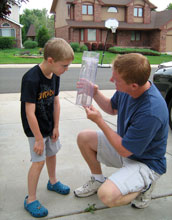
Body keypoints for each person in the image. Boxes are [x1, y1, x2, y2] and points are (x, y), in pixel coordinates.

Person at [74, 53, 169, 209]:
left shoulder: (151, 111)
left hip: (146, 162)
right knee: (84, 137)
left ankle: (145, 185)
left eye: (116, 80)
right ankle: (98, 179)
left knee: (107, 196)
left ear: (133, 86)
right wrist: (95, 93)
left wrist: (99, 121)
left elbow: (124, 150)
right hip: (127, 147)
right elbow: (112, 108)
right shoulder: (128, 89)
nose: (112, 81)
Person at [20, 38, 74, 218]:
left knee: (52, 154)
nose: (66, 70)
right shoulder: (31, 78)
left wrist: (56, 126)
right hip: (35, 129)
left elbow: (56, 101)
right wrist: (37, 138)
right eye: (64, 66)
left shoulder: (55, 75)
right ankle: (31, 199)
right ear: (50, 60)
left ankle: (52, 182)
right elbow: (29, 112)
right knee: (39, 161)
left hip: (50, 126)